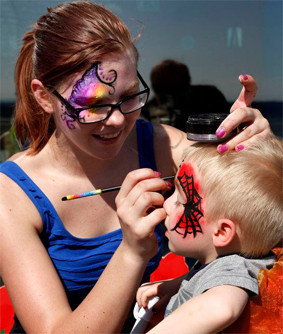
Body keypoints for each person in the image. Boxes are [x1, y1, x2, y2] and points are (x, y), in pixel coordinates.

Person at [0, 1, 272, 333]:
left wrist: (259, 147)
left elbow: (260, 197)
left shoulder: (161, 147)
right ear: (44, 97)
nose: (117, 120)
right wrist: (131, 253)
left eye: (130, 96)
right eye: (94, 104)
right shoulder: (11, 195)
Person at [133, 136, 283, 334]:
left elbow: (223, 308)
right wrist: (178, 285)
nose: (167, 205)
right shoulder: (236, 261)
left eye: (180, 201)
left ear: (221, 232)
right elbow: (214, 275)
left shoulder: (232, 272)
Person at [141, 59, 230, 131]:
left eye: (177, 86)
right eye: (163, 86)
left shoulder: (209, 98)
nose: (171, 98)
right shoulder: (145, 112)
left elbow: (227, 125)